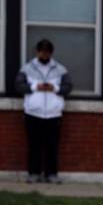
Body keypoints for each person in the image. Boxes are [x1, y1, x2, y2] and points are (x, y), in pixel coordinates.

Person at [15, 39, 72, 184]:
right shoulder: (27, 68)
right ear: (38, 52)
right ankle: (33, 173)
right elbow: (18, 86)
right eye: (42, 51)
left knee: (52, 146)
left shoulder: (60, 70)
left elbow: (68, 87)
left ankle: (51, 174)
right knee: (34, 145)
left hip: (53, 114)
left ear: (51, 53)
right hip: (33, 113)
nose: (44, 54)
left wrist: (55, 88)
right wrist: (35, 87)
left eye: (47, 52)